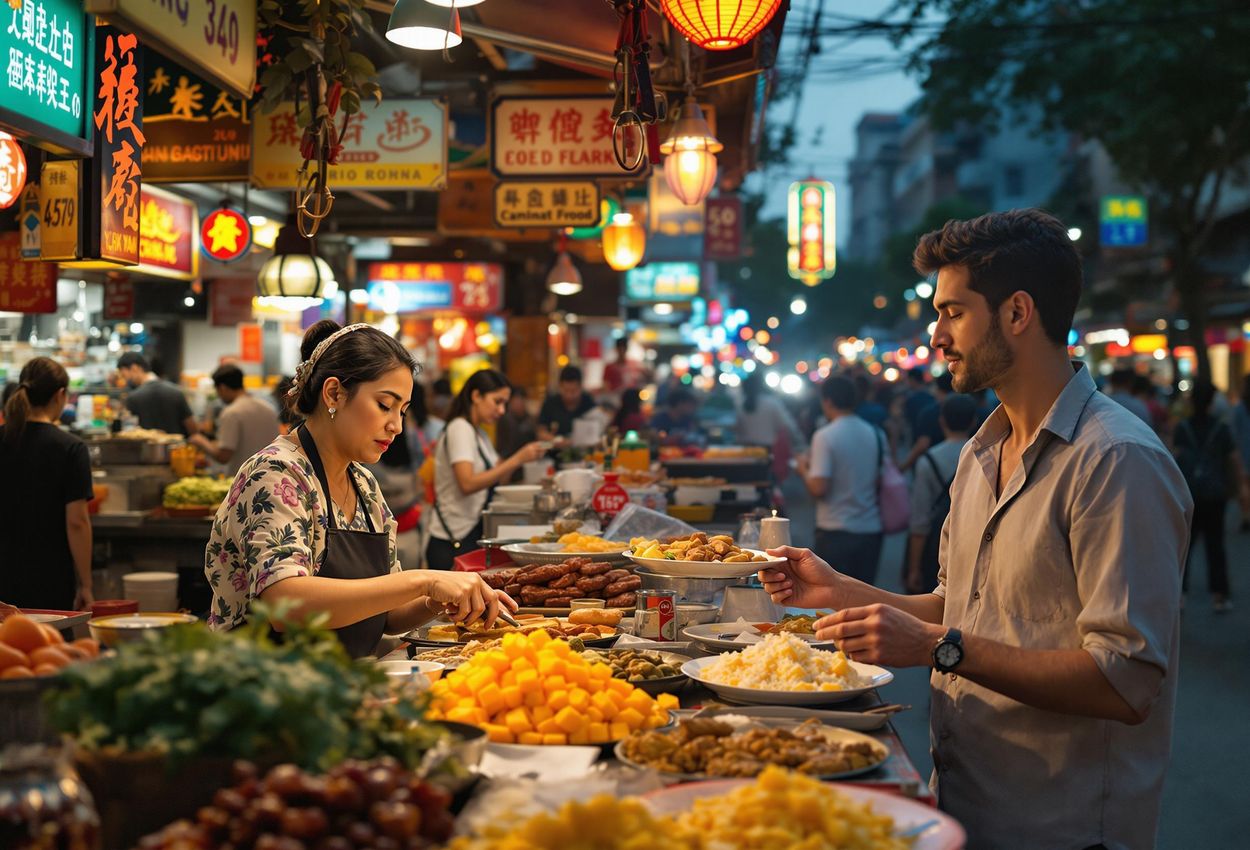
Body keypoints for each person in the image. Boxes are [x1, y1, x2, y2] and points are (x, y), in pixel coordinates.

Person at [759, 209, 1191, 849]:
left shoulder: (1116, 461)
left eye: (952, 313)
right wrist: (843, 592)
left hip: (1063, 829)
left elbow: (1125, 682)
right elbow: (958, 607)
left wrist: (938, 647)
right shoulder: (981, 451)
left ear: (1018, 313)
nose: (937, 335)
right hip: (965, 799)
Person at [204, 321, 516, 658]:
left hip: (341, 687)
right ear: (334, 393)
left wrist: (437, 601)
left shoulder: (364, 485)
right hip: (266, 692)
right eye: (385, 405)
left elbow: (387, 616)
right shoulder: (276, 473)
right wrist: (423, 580)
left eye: (403, 410)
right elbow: (285, 603)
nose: (396, 425)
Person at [427, 370, 547, 570]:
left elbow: (498, 476)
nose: (501, 410)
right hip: (452, 539)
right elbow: (467, 483)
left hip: (469, 533)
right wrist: (518, 458)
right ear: (476, 396)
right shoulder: (460, 428)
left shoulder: (479, 433)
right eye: (497, 401)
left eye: (505, 404)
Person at [0, 358, 94, 610]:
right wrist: (85, 584)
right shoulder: (70, 448)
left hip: (2, 574)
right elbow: (77, 522)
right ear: (61, 395)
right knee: (51, 646)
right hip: (49, 576)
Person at [798, 375, 884, 585]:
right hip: (870, 531)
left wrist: (802, 468)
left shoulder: (825, 436)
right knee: (865, 602)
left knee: (834, 606)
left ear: (827, 401)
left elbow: (819, 487)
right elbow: (879, 480)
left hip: (835, 531)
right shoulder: (875, 433)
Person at [903, 393, 977, 594]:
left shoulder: (928, 461)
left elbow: (920, 519)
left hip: (933, 548)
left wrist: (913, 568)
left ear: (942, 420)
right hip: (971, 545)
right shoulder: (984, 455)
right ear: (973, 421)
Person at [1174, 380, 1235, 612]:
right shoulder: (1221, 428)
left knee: (1185, 545)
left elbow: (1174, 458)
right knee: (1216, 544)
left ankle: (1180, 592)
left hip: (1188, 492)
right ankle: (1220, 595)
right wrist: (1238, 490)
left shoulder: (1182, 428)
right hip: (1215, 493)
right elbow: (1233, 461)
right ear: (1212, 401)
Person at [189, 365, 281, 478]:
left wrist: (200, 441)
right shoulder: (269, 408)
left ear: (222, 388)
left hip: (243, 481)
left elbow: (223, 456)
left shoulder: (232, 413)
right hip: (269, 477)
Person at [117, 352, 199, 436]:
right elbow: (192, 428)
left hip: (146, 448)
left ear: (134, 368)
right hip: (177, 448)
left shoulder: (133, 397)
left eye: (124, 375)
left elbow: (130, 433)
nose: (125, 380)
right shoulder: (176, 392)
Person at [899, 372, 954, 471]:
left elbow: (923, 443)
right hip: (958, 461)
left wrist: (904, 466)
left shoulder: (930, 412)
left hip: (933, 464)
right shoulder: (965, 408)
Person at [537, 365, 596, 440]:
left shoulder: (588, 402)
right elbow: (541, 432)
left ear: (581, 387)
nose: (569, 395)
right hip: (553, 449)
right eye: (566, 391)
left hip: (583, 449)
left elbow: (596, 431)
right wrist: (555, 440)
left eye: (573, 391)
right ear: (560, 387)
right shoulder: (550, 403)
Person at [496, 386, 538, 460]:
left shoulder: (528, 418)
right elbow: (510, 446)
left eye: (523, 400)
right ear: (510, 402)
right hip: (509, 460)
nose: (521, 404)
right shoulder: (506, 419)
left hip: (528, 461)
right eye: (518, 401)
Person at [1233, 374, 1250, 532]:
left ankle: (1246, 515)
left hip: (1244, 451)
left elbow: (1235, 432)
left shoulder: (1239, 408)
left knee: (1243, 486)